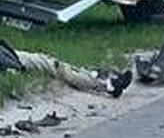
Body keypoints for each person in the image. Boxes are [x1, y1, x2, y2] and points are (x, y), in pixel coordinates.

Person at [0, 40, 133, 98]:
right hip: (13, 61)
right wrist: (15, 68)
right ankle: (107, 85)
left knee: (53, 63)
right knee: (58, 68)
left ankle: (102, 78)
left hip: (12, 56)